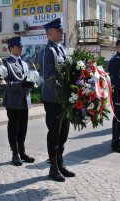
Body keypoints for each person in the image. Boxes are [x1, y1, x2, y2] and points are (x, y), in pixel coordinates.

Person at [39, 18, 75, 182]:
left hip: (65, 99)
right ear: (50, 33)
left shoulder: (64, 50)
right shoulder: (48, 51)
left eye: (61, 30)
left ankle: (60, 164)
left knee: (64, 133)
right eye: (59, 31)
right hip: (53, 99)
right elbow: (49, 77)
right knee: (54, 133)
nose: (62, 33)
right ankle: (53, 168)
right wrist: (62, 93)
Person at [2, 36, 36, 166]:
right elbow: (3, 84)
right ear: (11, 48)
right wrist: (21, 84)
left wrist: (30, 84)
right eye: (19, 46)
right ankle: (15, 154)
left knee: (23, 128)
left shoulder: (24, 63)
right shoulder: (6, 63)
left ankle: (22, 152)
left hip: (24, 100)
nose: (21, 49)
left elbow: (28, 79)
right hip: (13, 101)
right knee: (14, 128)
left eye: (22, 46)